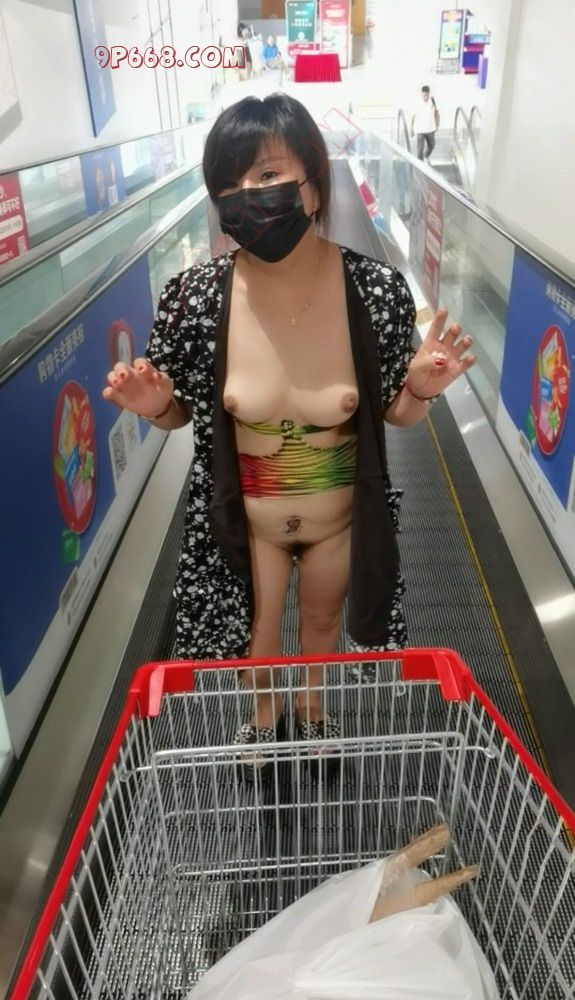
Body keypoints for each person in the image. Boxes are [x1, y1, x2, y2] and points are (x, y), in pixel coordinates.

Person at [102, 94, 475, 755]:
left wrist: (420, 390)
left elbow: (395, 413)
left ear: (313, 180)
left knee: (323, 622)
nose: (250, 195)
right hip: (249, 521)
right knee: (258, 630)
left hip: (340, 518)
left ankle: (311, 709)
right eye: (231, 184)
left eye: (269, 174)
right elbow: (179, 414)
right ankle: (264, 713)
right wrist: (154, 404)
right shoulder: (194, 299)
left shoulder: (374, 291)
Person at [411, 85, 439, 162]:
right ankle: (420, 164)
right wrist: (411, 129)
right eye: (424, 95)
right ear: (422, 94)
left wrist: (437, 124)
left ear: (429, 93)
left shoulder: (432, 101)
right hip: (420, 130)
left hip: (430, 129)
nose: (426, 97)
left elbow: (436, 113)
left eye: (427, 95)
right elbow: (413, 116)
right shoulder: (417, 103)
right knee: (420, 149)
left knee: (431, 146)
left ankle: (426, 156)